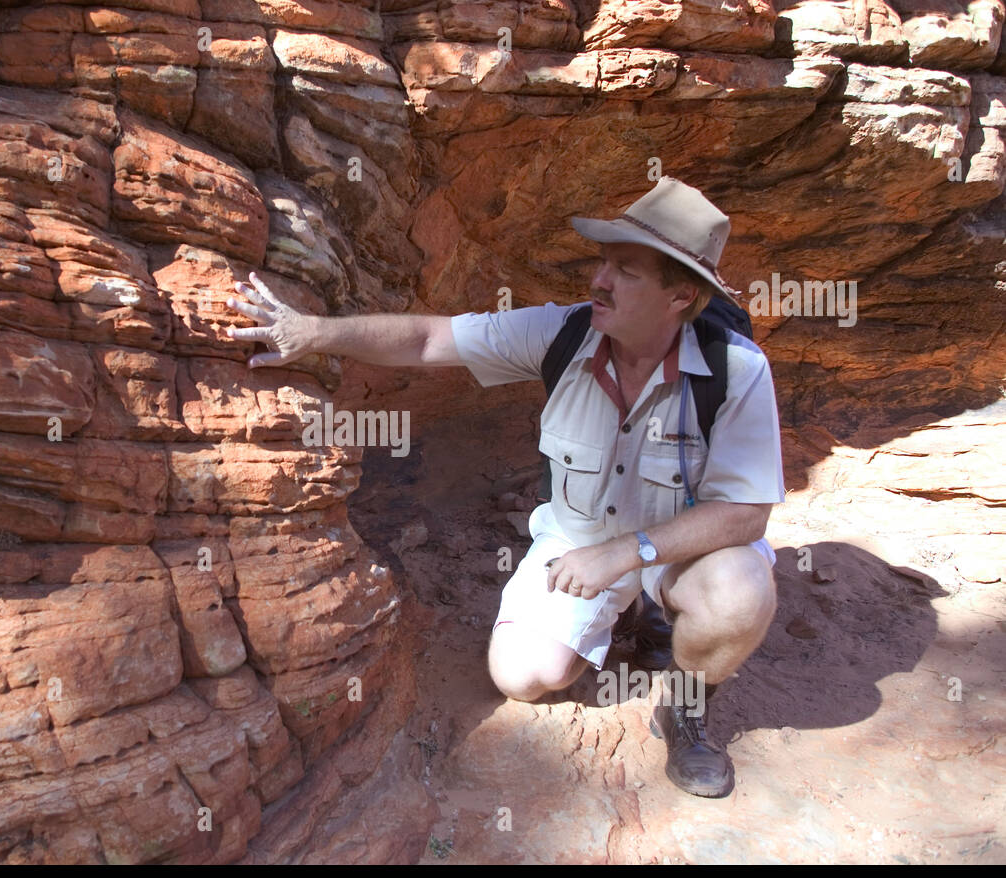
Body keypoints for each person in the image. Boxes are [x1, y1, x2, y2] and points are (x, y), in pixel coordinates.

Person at [224, 177, 784, 798]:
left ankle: (685, 704)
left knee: (737, 592)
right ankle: (625, 613)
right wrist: (312, 332)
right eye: (603, 262)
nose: (598, 280)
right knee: (522, 675)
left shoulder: (735, 370)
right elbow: (429, 339)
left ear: (681, 294)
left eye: (625, 271)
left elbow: (746, 514)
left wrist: (629, 553)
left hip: (674, 551)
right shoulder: (565, 333)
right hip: (578, 542)